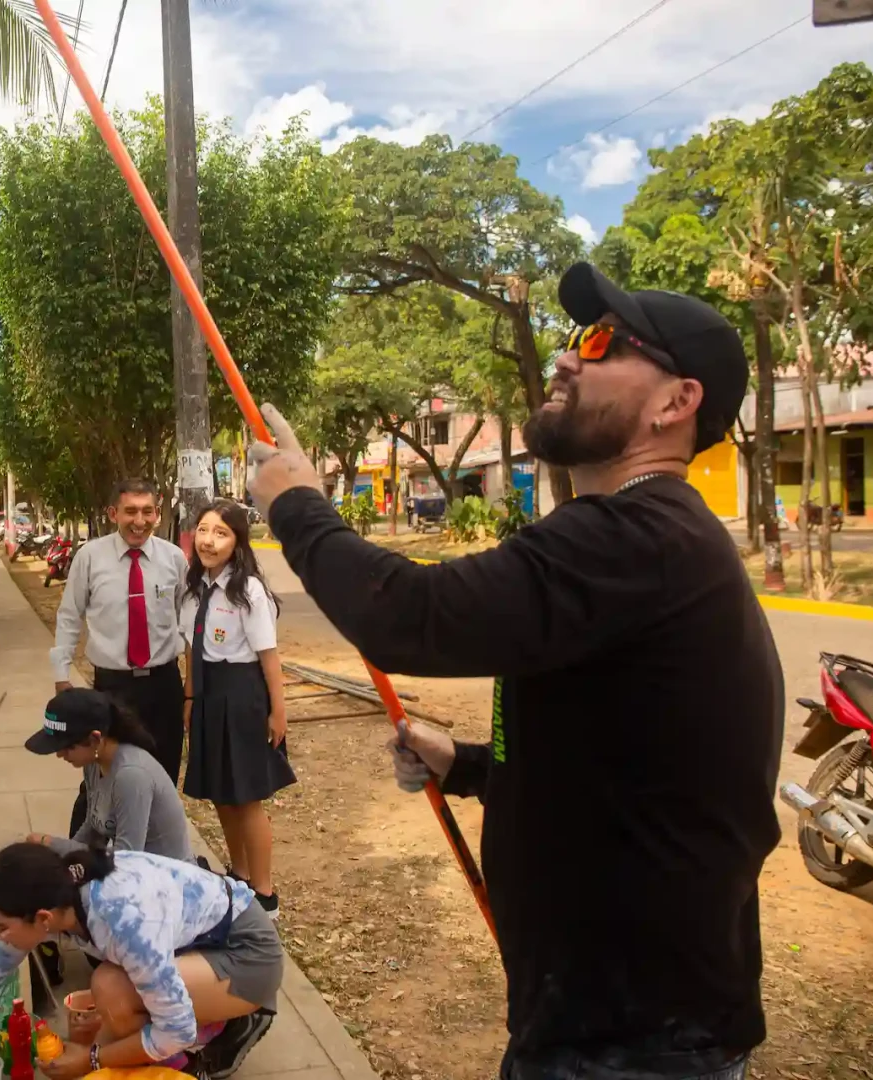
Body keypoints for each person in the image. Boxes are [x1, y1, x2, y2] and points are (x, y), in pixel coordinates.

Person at [247, 262, 783, 1080]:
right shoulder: (639, 542)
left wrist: (296, 505)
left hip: (634, 1042)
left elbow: (408, 617)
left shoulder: (638, 538)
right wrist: (463, 766)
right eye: (574, 337)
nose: (568, 358)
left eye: (602, 342)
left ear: (677, 402)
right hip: (607, 1021)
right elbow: (626, 776)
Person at [0, 844, 280, 1080]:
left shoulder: (121, 920)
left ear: (41, 919)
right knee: (111, 1001)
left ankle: (218, 1035)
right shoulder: (56, 894)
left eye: (0, 926)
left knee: (113, 990)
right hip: (192, 943)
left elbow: (172, 1028)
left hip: (246, 955)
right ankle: (203, 1022)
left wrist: (94, 1059)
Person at [52, 479, 191, 837]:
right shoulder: (90, 557)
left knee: (162, 777)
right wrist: (61, 675)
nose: (139, 521)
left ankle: (152, 861)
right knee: (99, 780)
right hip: (112, 690)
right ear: (114, 513)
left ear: (158, 514)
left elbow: (190, 623)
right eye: (130, 511)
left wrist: (191, 688)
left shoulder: (173, 559)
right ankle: (78, 860)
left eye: (147, 511)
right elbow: (70, 615)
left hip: (163, 685)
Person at [179, 499, 293, 919]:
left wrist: (277, 712)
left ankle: (264, 893)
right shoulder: (195, 587)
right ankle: (240, 875)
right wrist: (190, 698)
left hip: (243, 694)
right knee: (221, 795)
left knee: (247, 797)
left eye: (221, 532)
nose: (209, 540)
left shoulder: (248, 591)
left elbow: (269, 657)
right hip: (208, 694)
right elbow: (192, 648)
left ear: (238, 542)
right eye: (204, 530)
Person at [23, 686, 194, 863]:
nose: (60, 754)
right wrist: (64, 858)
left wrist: (53, 844)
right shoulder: (93, 762)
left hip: (168, 878)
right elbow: (94, 825)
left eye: (67, 746)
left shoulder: (131, 775)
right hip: (139, 873)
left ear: (95, 739)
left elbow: (127, 858)